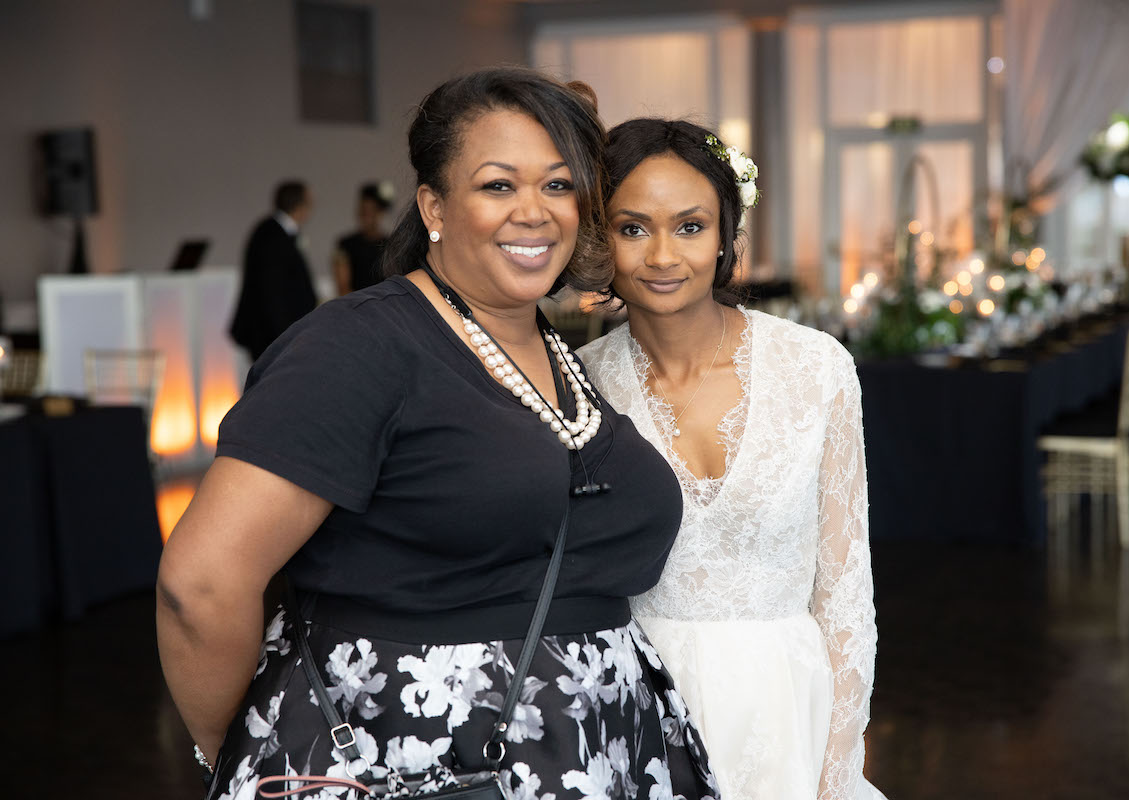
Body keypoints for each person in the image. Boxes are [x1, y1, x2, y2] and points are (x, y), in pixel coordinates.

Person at [157, 69, 720, 800]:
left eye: (558, 186)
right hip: (413, 756)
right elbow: (199, 585)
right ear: (434, 206)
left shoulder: (553, 353)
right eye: (497, 186)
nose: (535, 212)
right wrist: (250, 749)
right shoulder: (359, 345)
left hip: (594, 748)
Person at [578, 119, 887, 800]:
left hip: (787, 710)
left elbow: (844, 593)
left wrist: (837, 767)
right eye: (633, 228)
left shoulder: (816, 369)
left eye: (689, 226)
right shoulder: (577, 384)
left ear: (725, 238)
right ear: (601, 241)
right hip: (638, 710)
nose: (663, 255)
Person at [229, 180, 318, 360]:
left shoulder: (274, 231)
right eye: (310, 202)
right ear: (300, 205)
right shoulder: (273, 236)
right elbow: (271, 293)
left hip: (276, 333)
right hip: (272, 336)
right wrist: (285, 337)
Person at [333, 181, 393, 295]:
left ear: (380, 213)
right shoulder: (346, 244)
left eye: (371, 211)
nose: (365, 216)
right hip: (355, 305)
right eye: (363, 210)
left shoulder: (390, 245)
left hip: (383, 305)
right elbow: (343, 286)